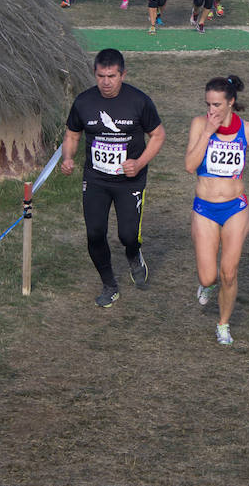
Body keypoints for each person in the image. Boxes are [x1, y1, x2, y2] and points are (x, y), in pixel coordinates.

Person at [61, 49, 166, 308]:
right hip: (96, 179)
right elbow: (72, 134)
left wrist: (139, 163)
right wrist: (68, 157)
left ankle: (134, 255)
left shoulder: (138, 101)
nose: (106, 82)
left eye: (112, 76)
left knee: (128, 236)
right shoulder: (84, 102)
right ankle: (109, 285)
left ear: (123, 74)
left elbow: (159, 135)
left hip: (130, 181)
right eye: (100, 76)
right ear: (95, 74)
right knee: (95, 234)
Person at [184, 76, 249, 346]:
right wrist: (209, 132)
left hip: (235, 208)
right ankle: (206, 285)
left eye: (218, 105)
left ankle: (223, 323)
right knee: (209, 276)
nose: (212, 110)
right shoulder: (199, 125)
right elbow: (189, 165)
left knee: (229, 272)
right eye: (208, 104)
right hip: (205, 208)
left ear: (231, 102)